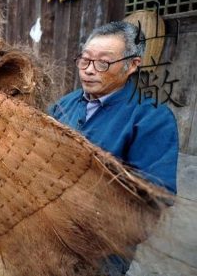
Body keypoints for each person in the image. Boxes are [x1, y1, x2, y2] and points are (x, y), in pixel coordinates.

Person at [49, 21, 179, 274]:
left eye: (103, 63)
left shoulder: (151, 118)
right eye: (84, 60)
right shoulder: (66, 103)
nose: (88, 70)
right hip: (51, 228)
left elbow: (155, 195)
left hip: (102, 249)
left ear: (132, 65)